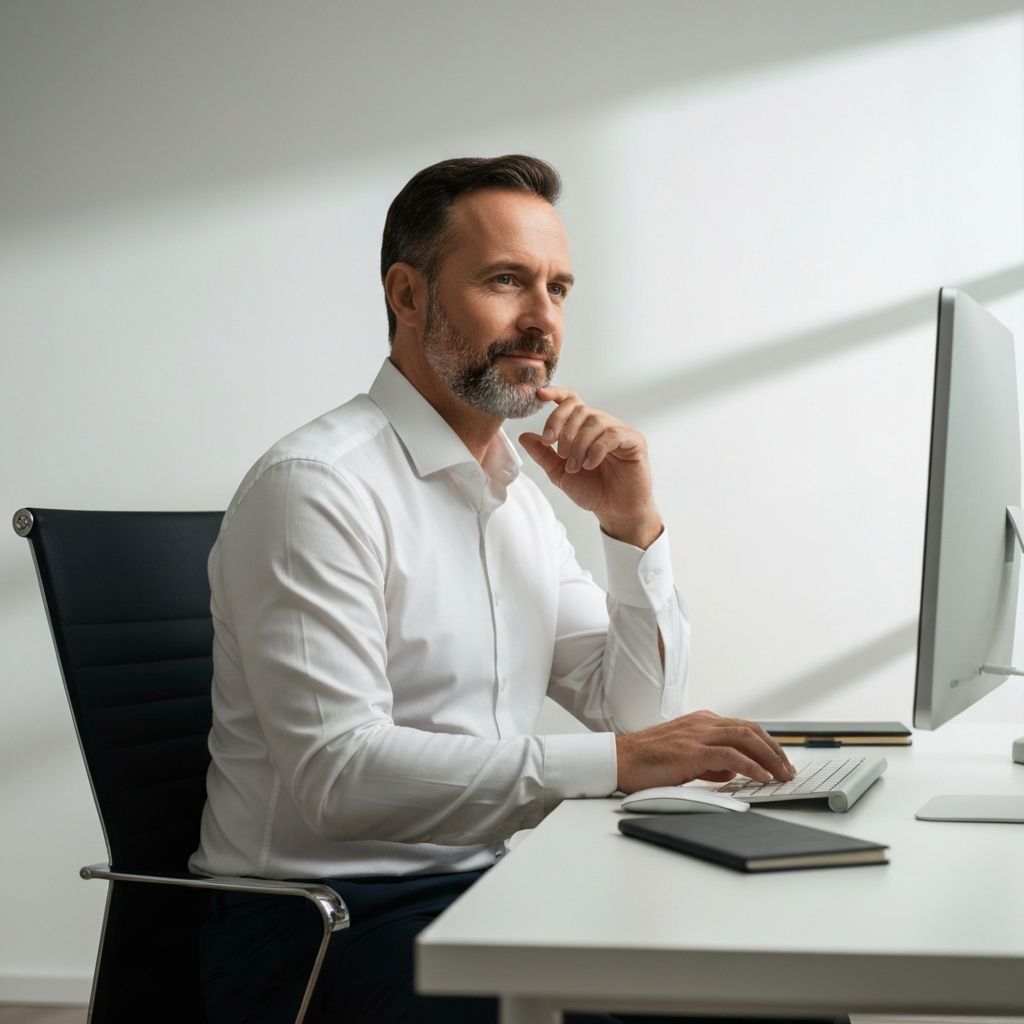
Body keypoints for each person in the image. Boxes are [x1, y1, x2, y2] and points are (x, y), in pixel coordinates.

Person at [191, 155, 815, 1024]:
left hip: (486, 893)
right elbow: (338, 777)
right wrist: (623, 766)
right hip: (321, 930)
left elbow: (631, 713)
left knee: (785, 994)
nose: (541, 320)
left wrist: (631, 528)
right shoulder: (316, 487)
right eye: (505, 281)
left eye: (558, 288)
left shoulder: (515, 493)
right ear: (407, 296)